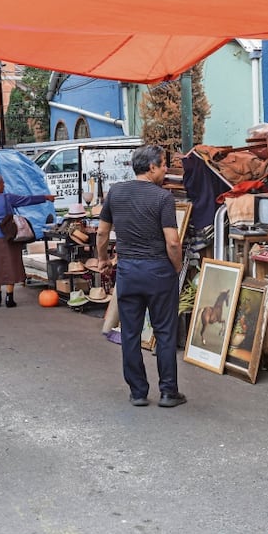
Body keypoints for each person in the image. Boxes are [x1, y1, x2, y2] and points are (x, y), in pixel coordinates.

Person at [96, 145, 184, 408]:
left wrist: (102, 259)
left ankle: (138, 392)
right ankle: (168, 392)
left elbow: (102, 233)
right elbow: (173, 242)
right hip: (159, 272)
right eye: (163, 164)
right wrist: (177, 267)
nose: (166, 169)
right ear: (152, 167)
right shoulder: (163, 198)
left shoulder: (115, 192)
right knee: (165, 332)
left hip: (128, 272)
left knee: (130, 332)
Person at [0, 173, 55, 307]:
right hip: (8, 235)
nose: (4, 185)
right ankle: (9, 297)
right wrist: (45, 197)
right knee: (10, 264)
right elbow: (26, 200)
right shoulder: (6, 198)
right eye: (2, 183)